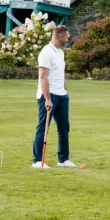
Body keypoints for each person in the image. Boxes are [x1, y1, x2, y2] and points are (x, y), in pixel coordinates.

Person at [32, 23, 76, 168]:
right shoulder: (46, 52)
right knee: (43, 127)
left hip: (62, 95)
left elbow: (60, 73)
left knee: (64, 128)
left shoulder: (60, 52)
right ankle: (38, 161)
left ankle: (63, 159)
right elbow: (43, 77)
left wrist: (64, 90)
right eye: (67, 37)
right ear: (60, 36)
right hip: (49, 96)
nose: (68, 39)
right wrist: (48, 99)